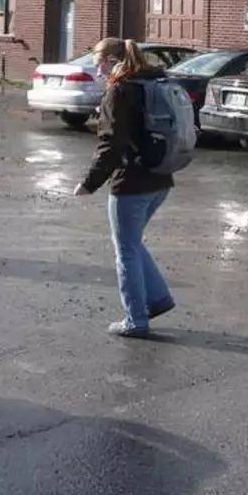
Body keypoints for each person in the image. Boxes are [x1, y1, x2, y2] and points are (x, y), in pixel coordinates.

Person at [73, 38, 176, 338]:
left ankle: (135, 321)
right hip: (161, 177)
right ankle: (157, 299)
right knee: (132, 243)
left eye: (97, 66)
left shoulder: (119, 91)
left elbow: (111, 145)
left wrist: (89, 183)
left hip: (132, 182)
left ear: (108, 61)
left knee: (126, 251)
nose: (98, 73)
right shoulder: (152, 83)